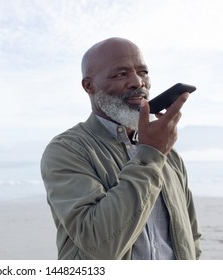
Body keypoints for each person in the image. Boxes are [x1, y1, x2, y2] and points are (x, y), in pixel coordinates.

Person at [40, 37, 202, 260]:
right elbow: (100, 245)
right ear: (89, 86)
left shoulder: (169, 155)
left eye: (143, 72)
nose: (138, 82)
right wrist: (150, 156)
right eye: (121, 74)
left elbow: (191, 236)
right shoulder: (67, 150)